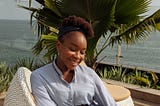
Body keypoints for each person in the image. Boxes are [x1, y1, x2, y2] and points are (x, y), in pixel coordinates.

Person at [30, 15, 117, 106]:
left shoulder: (90, 75)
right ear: (59, 45)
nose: (78, 56)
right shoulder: (40, 77)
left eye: (82, 52)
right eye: (72, 49)